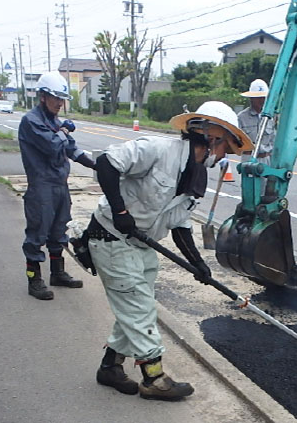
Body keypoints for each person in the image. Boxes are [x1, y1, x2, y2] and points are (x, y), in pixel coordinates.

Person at [88, 101, 253, 401]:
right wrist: (120, 210)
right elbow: (106, 164)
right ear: (212, 136)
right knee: (139, 308)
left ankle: (110, 366)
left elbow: (180, 225)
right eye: (225, 148)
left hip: (139, 243)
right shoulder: (158, 150)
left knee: (137, 305)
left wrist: (198, 266)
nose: (223, 156)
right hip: (110, 236)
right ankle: (154, 378)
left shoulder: (194, 173)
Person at [18, 71, 96, 301]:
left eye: (62, 100)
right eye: (56, 99)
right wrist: (63, 131)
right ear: (42, 96)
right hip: (41, 186)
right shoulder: (31, 121)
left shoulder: (54, 121)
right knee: (37, 234)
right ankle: (34, 279)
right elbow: (53, 146)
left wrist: (95, 165)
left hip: (60, 185)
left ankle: (58, 273)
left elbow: (70, 148)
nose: (60, 104)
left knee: (59, 230)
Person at [236, 79, 275, 160]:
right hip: (248, 158)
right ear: (251, 98)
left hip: (266, 159)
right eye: (258, 98)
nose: (261, 100)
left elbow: (273, 140)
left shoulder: (270, 117)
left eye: (263, 97)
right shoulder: (242, 117)